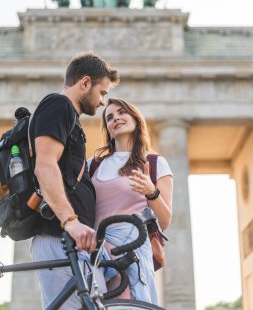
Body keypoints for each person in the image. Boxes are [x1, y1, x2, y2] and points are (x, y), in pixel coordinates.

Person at [29, 52, 120, 309]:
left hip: (73, 240)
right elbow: (45, 166)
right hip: (60, 235)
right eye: (102, 93)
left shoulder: (70, 117)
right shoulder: (59, 105)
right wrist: (70, 221)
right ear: (85, 83)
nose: (103, 102)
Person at [88, 98, 173, 305]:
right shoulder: (92, 165)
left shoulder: (154, 163)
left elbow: (164, 221)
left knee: (128, 304)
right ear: (107, 128)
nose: (115, 118)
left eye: (121, 113)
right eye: (109, 117)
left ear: (136, 119)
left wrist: (151, 192)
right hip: (95, 251)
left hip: (130, 250)